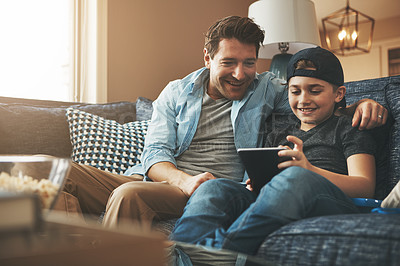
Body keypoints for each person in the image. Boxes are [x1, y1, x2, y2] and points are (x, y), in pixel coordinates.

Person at [58, 16, 387, 229]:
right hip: (169, 181)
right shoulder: (176, 91)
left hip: (208, 188)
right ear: (207, 57)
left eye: (248, 63)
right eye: (229, 62)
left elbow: (314, 100)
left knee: (130, 195)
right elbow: (155, 152)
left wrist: (364, 102)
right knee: (57, 173)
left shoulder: (269, 89)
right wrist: (182, 179)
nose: (240, 74)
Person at [170, 46, 377, 256]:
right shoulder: (279, 130)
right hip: (277, 200)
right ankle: (182, 254)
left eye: (315, 91)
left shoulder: (348, 127)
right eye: (295, 91)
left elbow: (365, 186)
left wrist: (309, 170)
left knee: (295, 177)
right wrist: (257, 182)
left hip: (328, 200)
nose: (303, 99)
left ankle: (223, 254)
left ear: (338, 93)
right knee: (213, 188)